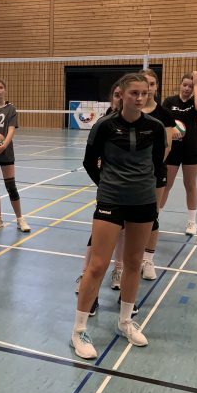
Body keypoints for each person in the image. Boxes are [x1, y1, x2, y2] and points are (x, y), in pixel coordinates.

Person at [70, 73, 166, 359]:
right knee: (98, 265)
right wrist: (108, 185)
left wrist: (150, 193)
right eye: (134, 93)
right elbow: (89, 162)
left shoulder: (155, 127)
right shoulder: (104, 126)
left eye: (144, 93)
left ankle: (125, 322)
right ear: (121, 95)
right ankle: (78, 330)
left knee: (133, 263)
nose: (140, 98)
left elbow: (158, 164)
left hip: (143, 201)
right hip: (111, 200)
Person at [75, 80, 122, 316]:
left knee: (125, 233)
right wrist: (103, 182)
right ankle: (85, 276)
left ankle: (118, 271)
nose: (120, 98)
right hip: (109, 191)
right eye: (116, 94)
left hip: (133, 192)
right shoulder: (104, 122)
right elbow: (90, 160)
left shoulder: (144, 123)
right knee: (100, 235)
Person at [136, 68, 176, 280]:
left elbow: (166, 147)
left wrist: (148, 169)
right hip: (130, 173)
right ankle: (125, 261)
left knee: (152, 215)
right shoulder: (131, 110)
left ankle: (148, 260)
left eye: (152, 84)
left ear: (156, 87)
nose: (148, 88)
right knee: (127, 216)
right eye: (145, 84)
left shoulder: (164, 114)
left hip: (154, 172)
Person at [0, 78, 30, 233]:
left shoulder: (11, 109)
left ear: (5, 90)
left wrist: (3, 146)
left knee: (11, 186)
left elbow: (11, 130)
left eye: (1, 87)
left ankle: (20, 218)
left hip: (5, 151)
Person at [161, 71, 197, 236]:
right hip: (172, 150)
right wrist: (171, 131)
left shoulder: (194, 102)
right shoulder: (169, 101)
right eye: (185, 85)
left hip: (192, 149)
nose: (187, 88)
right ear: (180, 85)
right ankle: (154, 218)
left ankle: (192, 222)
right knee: (166, 185)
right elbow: (162, 122)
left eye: (190, 86)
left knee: (190, 185)